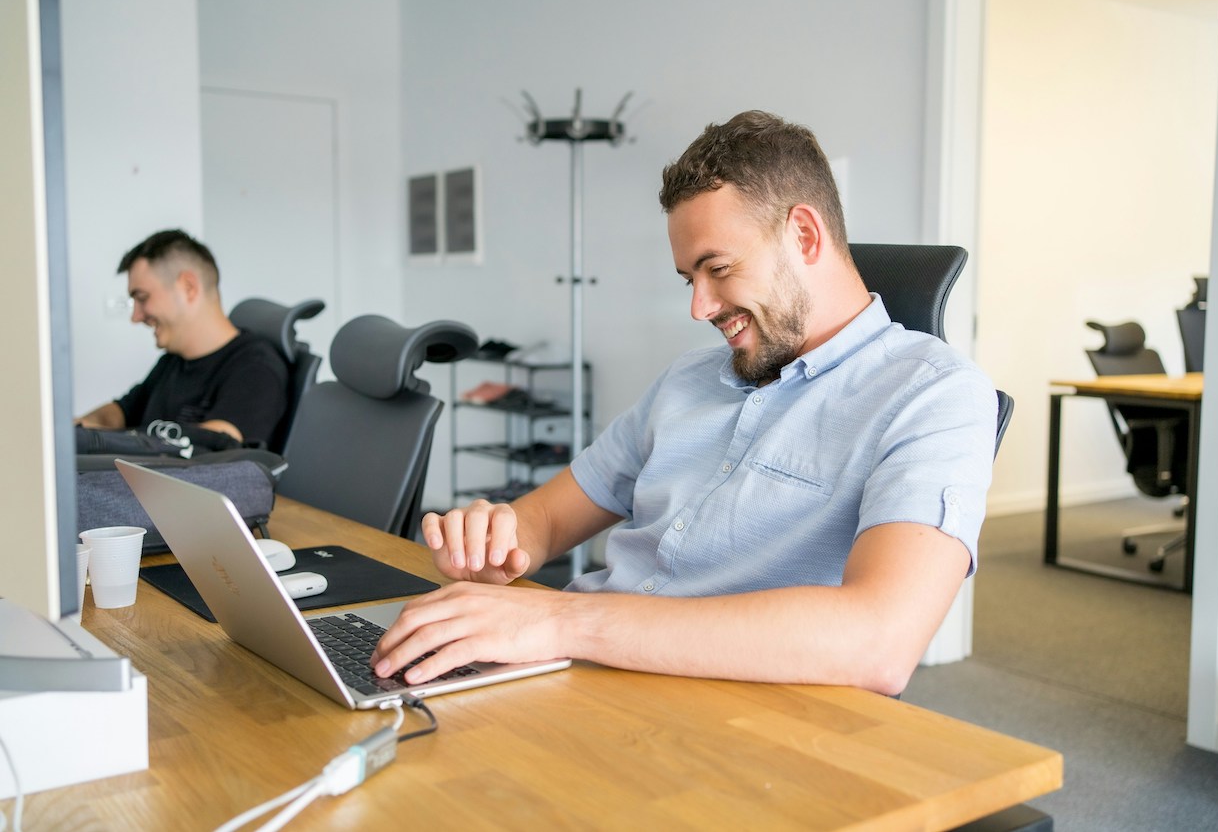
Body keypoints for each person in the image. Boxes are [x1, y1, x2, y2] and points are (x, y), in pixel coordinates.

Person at [372, 111, 996, 696]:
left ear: (804, 234)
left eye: (718, 268)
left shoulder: (932, 394)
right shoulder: (688, 380)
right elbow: (548, 520)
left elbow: (879, 640)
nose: (699, 307)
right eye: (688, 279)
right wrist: (499, 539)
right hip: (573, 672)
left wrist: (563, 619)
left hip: (713, 714)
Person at [75, 229, 287, 451]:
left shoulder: (255, 368)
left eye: (142, 298)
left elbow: (218, 447)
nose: (135, 317)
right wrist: (71, 433)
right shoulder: (172, 362)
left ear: (188, 287)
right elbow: (120, 413)